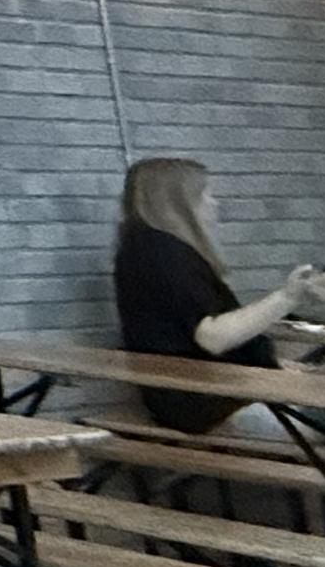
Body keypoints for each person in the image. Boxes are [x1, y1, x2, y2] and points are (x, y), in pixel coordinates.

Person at [112, 157, 300, 433]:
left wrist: (271, 368)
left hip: (182, 402)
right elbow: (213, 337)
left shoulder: (137, 250)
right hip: (214, 409)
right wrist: (288, 296)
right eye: (206, 195)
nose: (214, 203)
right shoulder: (167, 254)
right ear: (179, 203)